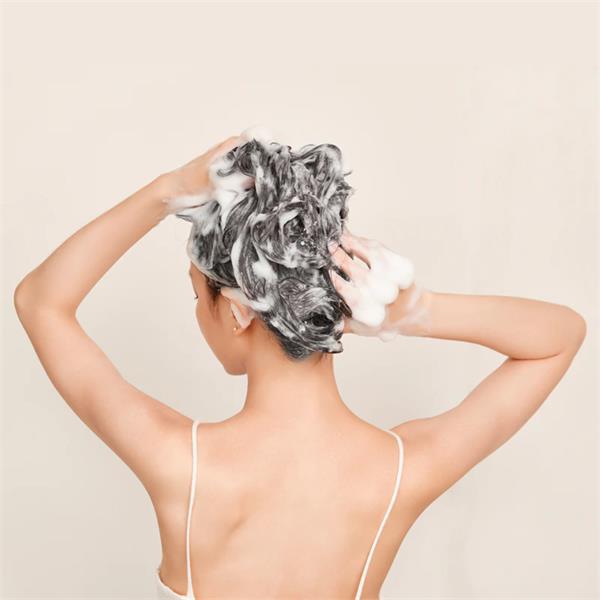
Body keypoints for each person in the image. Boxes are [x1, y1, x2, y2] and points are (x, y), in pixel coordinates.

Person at [13, 134, 587, 599]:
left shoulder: (177, 462)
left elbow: (40, 302)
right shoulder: (400, 471)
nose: (197, 313)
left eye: (197, 297)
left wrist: (166, 192)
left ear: (237, 311)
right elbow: (558, 337)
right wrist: (415, 311)